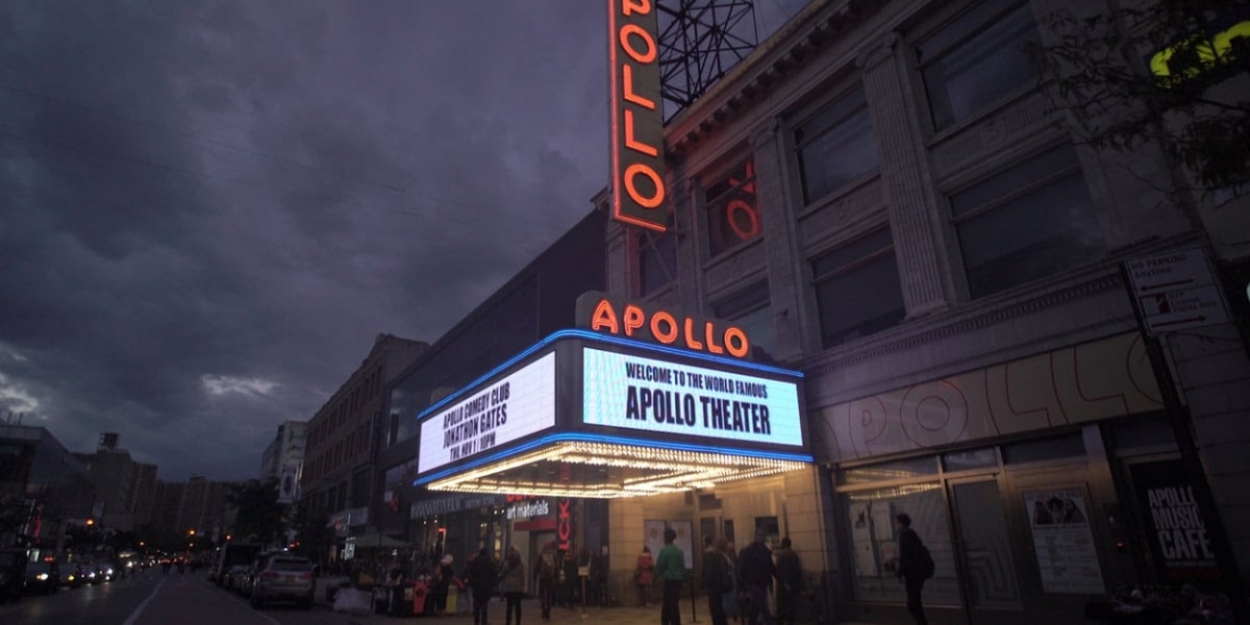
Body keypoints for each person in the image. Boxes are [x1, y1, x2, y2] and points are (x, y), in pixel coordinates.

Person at [896, 513, 928, 625]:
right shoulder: (912, 535)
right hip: (918, 573)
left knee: (913, 603)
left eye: (897, 523)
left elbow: (905, 556)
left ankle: (922, 623)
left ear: (901, 523)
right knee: (915, 601)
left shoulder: (904, 535)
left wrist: (899, 573)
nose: (896, 526)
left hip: (912, 574)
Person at [737, 529, 775, 625]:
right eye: (759, 535)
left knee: (756, 607)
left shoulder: (765, 551)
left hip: (762, 583)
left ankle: (752, 622)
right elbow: (742, 569)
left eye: (762, 535)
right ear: (755, 536)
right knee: (761, 604)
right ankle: (770, 622)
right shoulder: (749, 551)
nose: (761, 537)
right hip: (753, 582)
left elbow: (771, 567)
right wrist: (741, 588)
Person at [656, 528, 685, 625]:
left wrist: (654, 577)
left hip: (669, 580)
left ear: (666, 538)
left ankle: (667, 621)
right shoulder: (679, 550)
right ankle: (675, 621)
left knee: (667, 604)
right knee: (674, 603)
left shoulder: (665, 551)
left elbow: (660, 565)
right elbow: (682, 566)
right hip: (678, 581)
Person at [773, 537, 803, 625]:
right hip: (792, 584)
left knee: (781, 606)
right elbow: (798, 570)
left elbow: (777, 570)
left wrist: (782, 582)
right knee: (791, 606)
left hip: (782, 584)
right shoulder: (794, 555)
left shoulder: (780, 555)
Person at [702, 536, 731, 625]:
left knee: (715, 609)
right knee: (719, 609)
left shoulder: (710, 555)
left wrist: (706, 585)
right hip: (721, 586)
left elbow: (709, 571)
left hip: (714, 586)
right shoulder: (724, 556)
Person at [467, 548, 498, 625]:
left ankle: (476, 621)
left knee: (476, 605)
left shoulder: (475, 561)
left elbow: (470, 572)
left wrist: (472, 581)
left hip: (476, 586)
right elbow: (494, 572)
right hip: (486, 586)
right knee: (484, 604)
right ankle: (484, 621)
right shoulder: (489, 561)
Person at [500, 547, 526, 625]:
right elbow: (523, 574)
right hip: (518, 587)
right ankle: (518, 622)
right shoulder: (521, 563)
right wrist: (523, 584)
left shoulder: (507, 562)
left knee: (509, 606)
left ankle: (508, 621)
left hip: (509, 587)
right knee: (518, 606)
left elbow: (503, 573)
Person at [534, 542, 558, 620]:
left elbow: (537, 565)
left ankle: (543, 609)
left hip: (542, 577)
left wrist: (535, 575)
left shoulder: (541, 554)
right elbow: (557, 566)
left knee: (542, 594)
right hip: (551, 578)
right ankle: (548, 611)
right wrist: (556, 576)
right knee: (549, 595)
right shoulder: (554, 554)